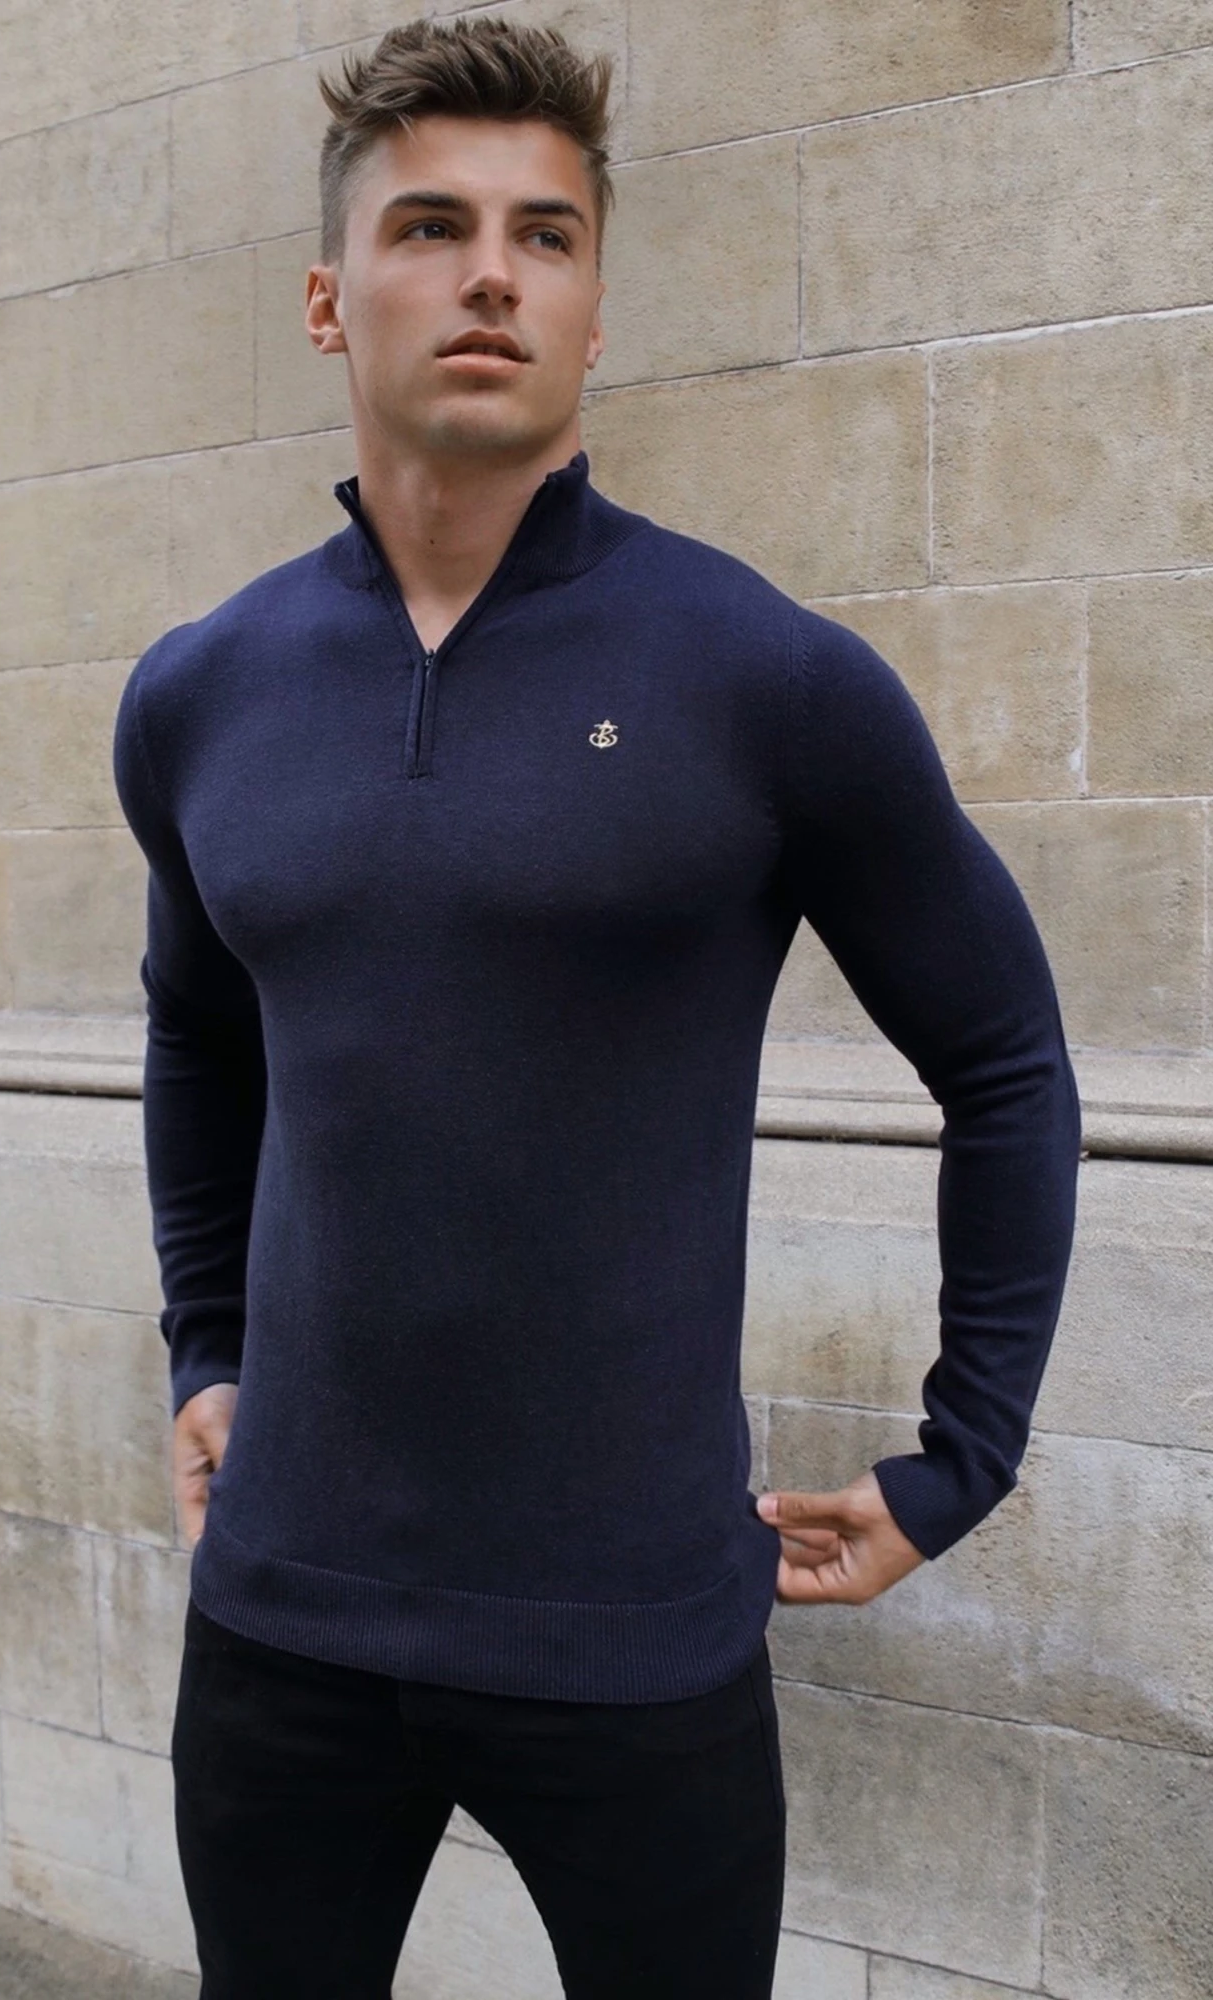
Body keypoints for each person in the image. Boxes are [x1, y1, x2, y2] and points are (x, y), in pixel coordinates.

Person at [111, 15, 1081, 1998]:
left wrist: (960, 1456)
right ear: (329, 296)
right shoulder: (201, 694)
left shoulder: (765, 679)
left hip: (639, 1643)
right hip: (282, 1629)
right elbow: (198, 1034)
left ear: (593, 310)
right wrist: (207, 1340)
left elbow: (1007, 1060)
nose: (493, 273)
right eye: (433, 226)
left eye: (544, 236)